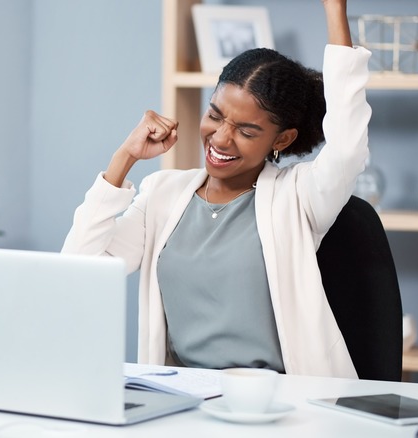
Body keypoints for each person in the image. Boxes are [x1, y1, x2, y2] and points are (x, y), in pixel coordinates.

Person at [62, 0, 371, 378]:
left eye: (246, 131)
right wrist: (124, 157)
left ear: (283, 139)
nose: (221, 139)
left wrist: (334, 10)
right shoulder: (162, 194)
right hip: (181, 400)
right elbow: (78, 268)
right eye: (215, 115)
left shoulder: (299, 196)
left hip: (277, 403)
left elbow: (347, 147)